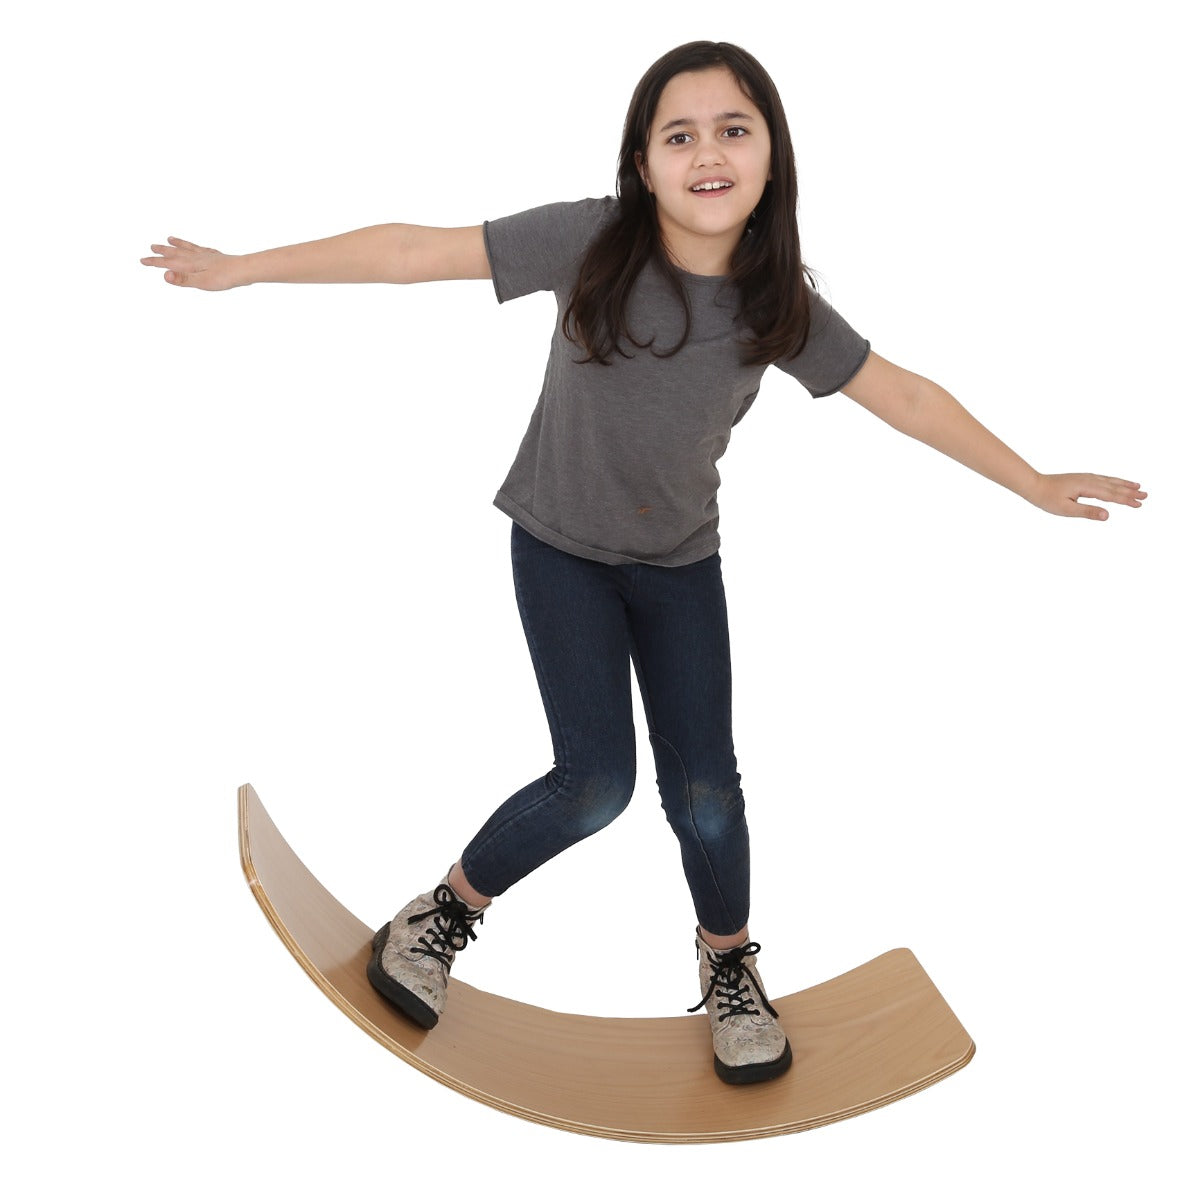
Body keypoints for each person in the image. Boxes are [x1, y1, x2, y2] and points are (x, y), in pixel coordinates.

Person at [141, 41, 1145, 1085]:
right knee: (597, 783)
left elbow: (905, 396)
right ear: (644, 161)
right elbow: (410, 253)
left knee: (707, 789)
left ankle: (728, 970)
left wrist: (1030, 481)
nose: (707, 152)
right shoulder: (589, 240)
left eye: (733, 130)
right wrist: (242, 267)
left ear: (770, 158)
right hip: (561, 552)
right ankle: (439, 915)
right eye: (681, 134)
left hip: (677, 568)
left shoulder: (775, 302)